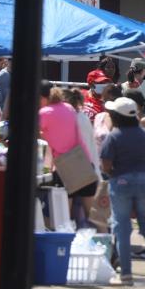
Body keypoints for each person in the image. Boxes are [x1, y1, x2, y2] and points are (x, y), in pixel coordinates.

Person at [99, 97, 145, 289]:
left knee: (122, 228)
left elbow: (105, 165)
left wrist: (115, 174)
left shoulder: (114, 136)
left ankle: (126, 275)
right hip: (144, 180)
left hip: (120, 181)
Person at [39, 82, 98, 221]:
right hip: (82, 159)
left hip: (65, 163)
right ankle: (105, 238)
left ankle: (68, 242)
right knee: (92, 213)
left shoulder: (45, 112)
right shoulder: (68, 108)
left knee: (65, 217)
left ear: (42, 97)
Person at [93, 84, 124, 153]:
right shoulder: (98, 117)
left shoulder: (126, 119)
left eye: (112, 100)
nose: (105, 105)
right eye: (104, 101)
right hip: (99, 161)